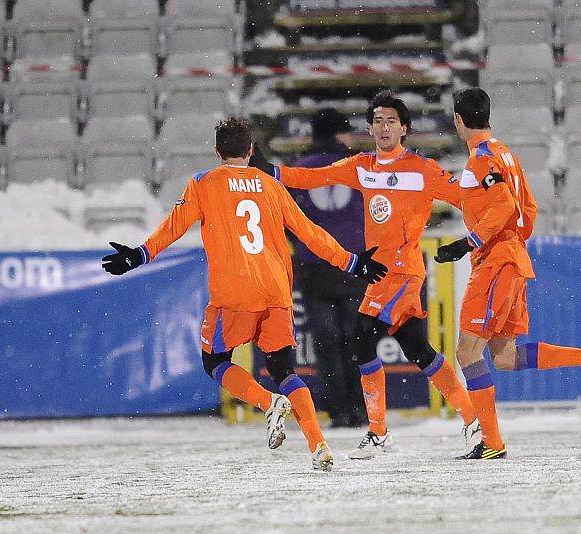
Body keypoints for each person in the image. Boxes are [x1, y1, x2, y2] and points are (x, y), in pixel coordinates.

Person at [101, 117, 388, 471]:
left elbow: (172, 228)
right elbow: (310, 233)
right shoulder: (271, 185)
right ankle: (319, 445)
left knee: (216, 362)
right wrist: (352, 263)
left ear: (218, 151)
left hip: (234, 291)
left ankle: (268, 403)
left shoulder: (203, 183)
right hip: (275, 290)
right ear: (251, 151)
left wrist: (138, 255)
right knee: (285, 369)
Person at [250, 91, 482, 460]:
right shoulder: (361, 166)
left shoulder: (421, 169)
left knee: (363, 337)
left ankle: (382, 431)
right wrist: (269, 169)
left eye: (391, 121)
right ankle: (470, 421)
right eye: (377, 120)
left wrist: (479, 224)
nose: (383, 127)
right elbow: (309, 178)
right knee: (416, 349)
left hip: (404, 272)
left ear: (404, 128)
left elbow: (466, 198)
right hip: (380, 275)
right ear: (370, 128)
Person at [435, 87, 581, 460]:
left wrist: (469, 243)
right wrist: (513, 243)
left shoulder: (480, 160)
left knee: (466, 351)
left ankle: (491, 443)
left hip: (496, 262)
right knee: (503, 357)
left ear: (459, 120)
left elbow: (506, 204)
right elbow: (528, 205)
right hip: (511, 258)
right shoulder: (505, 154)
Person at [288, 108, 368, 428]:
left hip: (314, 268)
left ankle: (336, 410)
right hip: (354, 266)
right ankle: (362, 409)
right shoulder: (360, 167)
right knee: (358, 342)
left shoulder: (297, 170)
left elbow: (283, 217)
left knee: (326, 343)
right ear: (338, 134)